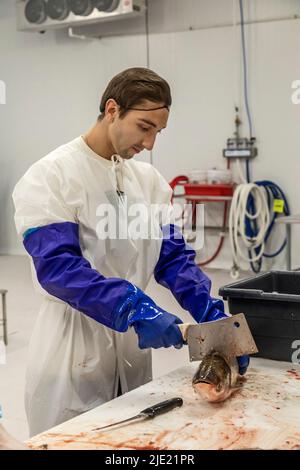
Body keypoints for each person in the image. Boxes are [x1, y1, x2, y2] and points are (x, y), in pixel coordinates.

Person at [12, 67, 249, 436]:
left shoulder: (148, 182)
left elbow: (172, 257)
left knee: (133, 441)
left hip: (130, 347)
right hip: (73, 346)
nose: (151, 143)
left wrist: (209, 312)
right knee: (74, 438)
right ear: (111, 109)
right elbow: (59, 268)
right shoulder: (51, 176)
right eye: (144, 127)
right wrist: (132, 306)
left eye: (158, 132)